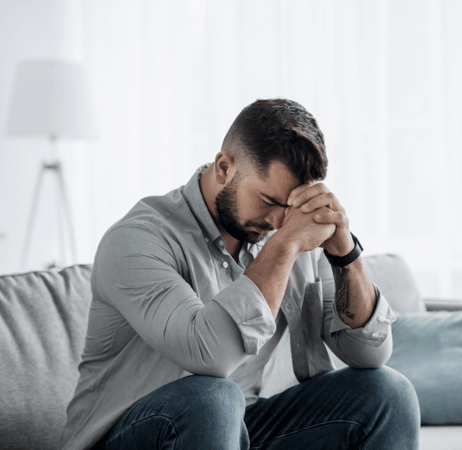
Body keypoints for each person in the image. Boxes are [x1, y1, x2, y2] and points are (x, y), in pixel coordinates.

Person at [60, 98, 420, 450]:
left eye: (293, 208)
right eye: (269, 201)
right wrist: (285, 245)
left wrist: (345, 253)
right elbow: (209, 356)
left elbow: (370, 355)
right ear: (224, 167)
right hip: (132, 434)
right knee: (212, 398)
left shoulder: (288, 231)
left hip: (241, 426)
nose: (280, 221)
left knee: (387, 393)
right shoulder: (137, 239)